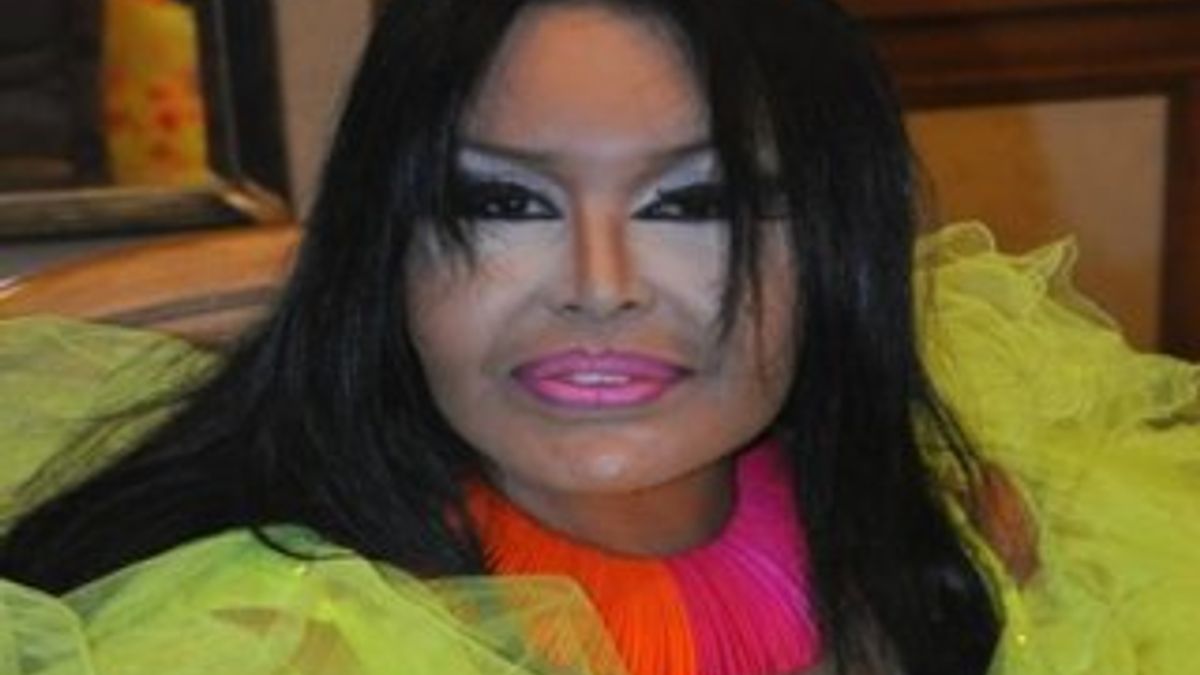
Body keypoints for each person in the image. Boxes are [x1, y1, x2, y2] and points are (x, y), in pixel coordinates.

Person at [1, 0, 1197, 674]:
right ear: (386, 240)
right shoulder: (282, 640)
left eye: (697, 202)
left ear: (841, 237)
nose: (599, 287)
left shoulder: (958, 536)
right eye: (502, 200)